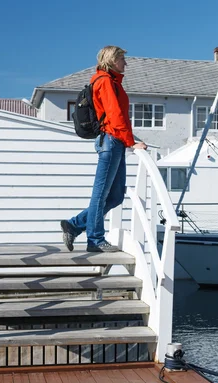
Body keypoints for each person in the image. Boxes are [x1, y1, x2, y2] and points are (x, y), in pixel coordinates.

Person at [61, 45, 147, 252]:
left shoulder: (111, 81)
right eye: (122, 59)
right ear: (112, 60)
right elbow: (115, 116)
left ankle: (74, 225)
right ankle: (95, 240)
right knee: (100, 194)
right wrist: (131, 142)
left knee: (116, 196)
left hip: (115, 141)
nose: (125, 63)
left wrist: (127, 140)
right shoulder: (106, 82)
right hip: (111, 141)